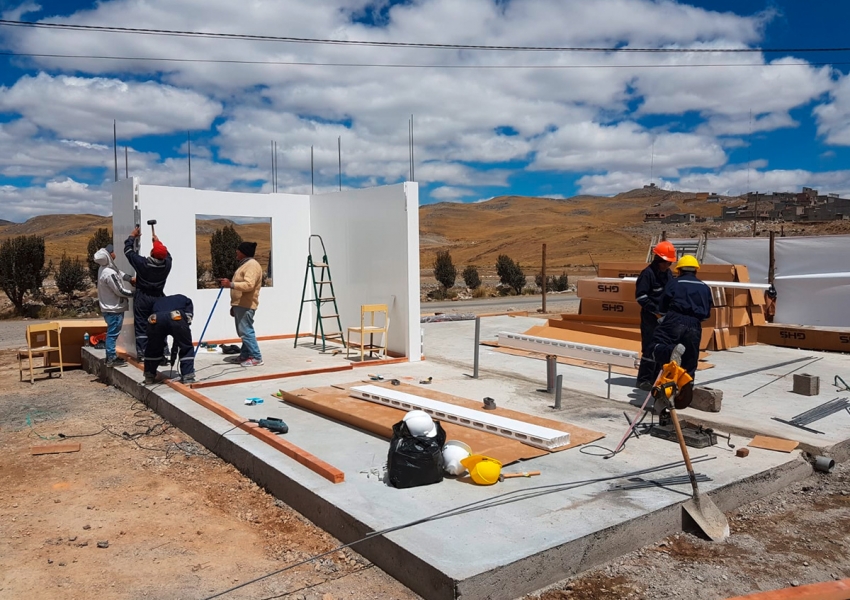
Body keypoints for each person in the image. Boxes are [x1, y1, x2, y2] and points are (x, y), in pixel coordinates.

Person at [648, 255, 713, 409]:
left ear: (679, 270)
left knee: (655, 346)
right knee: (690, 360)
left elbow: (662, 306)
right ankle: (683, 395)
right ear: (696, 270)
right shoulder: (705, 287)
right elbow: (707, 313)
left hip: (675, 320)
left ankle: (671, 353)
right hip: (695, 324)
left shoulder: (674, 283)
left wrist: (664, 318)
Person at [124, 226, 172, 360]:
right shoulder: (167, 265)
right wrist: (157, 242)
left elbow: (128, 251)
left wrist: (132, 236)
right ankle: (163, 352)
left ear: (152, 254)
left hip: (143, 297)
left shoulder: (143, 264)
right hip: (159, 297)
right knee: (159, 324)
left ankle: (144, 353)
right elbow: (167, 255)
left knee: (141, 325)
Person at [635, 240, 676, 390]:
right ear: (658, 260)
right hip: (650, 318)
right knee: (649, 347)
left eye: (670, 263)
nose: (667, 266)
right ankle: (643, 380)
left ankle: (656, 378)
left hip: (665, 317)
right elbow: (641, 297)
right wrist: (656, 312)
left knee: (662, 347)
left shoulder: (668, 274)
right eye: (666, 263)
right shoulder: (647, 274)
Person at [219, 241, 264, 367]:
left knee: (246, 331)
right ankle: (245, 355)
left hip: (246, 305)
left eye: (238, 251)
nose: (236, 252)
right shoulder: (245, 265)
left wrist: (231, 284)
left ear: (244, 253)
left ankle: (256, 357)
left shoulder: (251, 265)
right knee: (244, 331)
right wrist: (234, 305)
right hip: (240, 305)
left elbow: (249, 285)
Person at [94, 244, 135, 368]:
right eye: (112, 252)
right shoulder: (109, 273)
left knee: (112, 333)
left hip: (109, 307)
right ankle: (111, 358)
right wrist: (136, 294)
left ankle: (111, 356)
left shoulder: (104, 268)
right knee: (112, 334)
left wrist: (130, 278)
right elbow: (120, 291)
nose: (114, 253)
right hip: (114, 308)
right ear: (108, 256)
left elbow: (119, 273)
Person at [143, 294, 195, 385]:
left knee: (153, 347)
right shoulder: (186, 301)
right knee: (186, 347)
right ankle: (188, 376)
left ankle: (149, 375)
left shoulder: (159, 302)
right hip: (176, 316)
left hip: (156, 318)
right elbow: (187, 319)